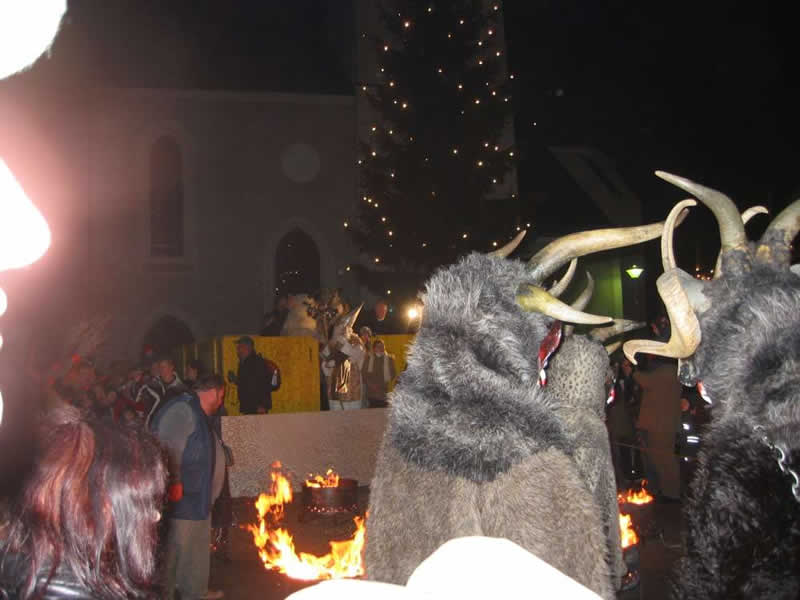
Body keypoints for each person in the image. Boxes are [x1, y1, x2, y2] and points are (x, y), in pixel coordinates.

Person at [0, 406, 167, 599]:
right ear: (103, 510)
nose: (156, 516)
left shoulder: (23, 559)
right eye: (143, 504)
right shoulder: (72, 591)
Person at [150, 374, 227, 600]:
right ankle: (163, 594)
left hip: (199, 496)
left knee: (196, 548)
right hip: (182, 497)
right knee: (174, 548)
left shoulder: (198, 413)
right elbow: (168, 447)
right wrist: (174, 482)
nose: (221, 402)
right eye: (220, 396)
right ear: (211, 392)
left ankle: (195, 591)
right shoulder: (182, 410)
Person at [227, 336, 274, 415]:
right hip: (250, 406)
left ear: (248, 347)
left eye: (240, 347)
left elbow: (261, 384)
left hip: (256, 407)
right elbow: (247, 383)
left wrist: (261, 405)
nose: (237, 350)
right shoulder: (245, 363)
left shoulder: (256, 363)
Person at [146, 356, 188, 426]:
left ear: (171, 367)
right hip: (155, 427)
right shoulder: (152, 386)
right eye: (159, 367)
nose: (161, 370)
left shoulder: (181, 388)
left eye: (164, 367)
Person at [363, 340, 397, 408]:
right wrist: (371, 385)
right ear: (374, 348)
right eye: (378, 346)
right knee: (373, 411)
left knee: (383, 411)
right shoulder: (368, 359)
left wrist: (383, 384)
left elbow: (393, 373)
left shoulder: (389, 359)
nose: (381, 348)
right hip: (371, 391)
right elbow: (364, 373)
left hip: (383, 390)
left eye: (382, 346)